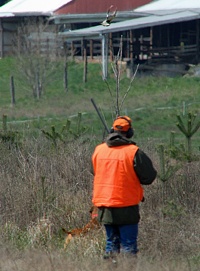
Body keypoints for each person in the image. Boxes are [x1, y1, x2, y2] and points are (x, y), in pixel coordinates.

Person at [92, 116, 157, 259]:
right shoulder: (133, 152)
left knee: (111, 244)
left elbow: (94, 171)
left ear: (111, 130)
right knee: (128, 246)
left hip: (105, 206)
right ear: (129, 133)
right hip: (126, 205)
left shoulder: (99, 150)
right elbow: (149, 177)